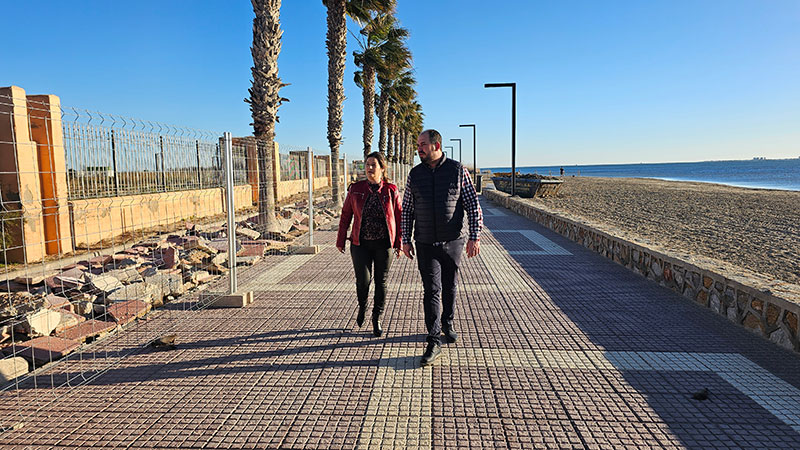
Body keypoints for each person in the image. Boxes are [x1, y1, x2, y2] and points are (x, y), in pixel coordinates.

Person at [401, 129, 483, 365]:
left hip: (453, 242)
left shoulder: (457, 171)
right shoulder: (414, 175)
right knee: (431, 290)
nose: (419, 149)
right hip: (425, 243)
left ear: (436, 146)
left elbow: (472, 205)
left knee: (450, 287)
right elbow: (407, 209)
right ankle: (433, 339)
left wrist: (474, 237)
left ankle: (447, 322)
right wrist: (405, 240)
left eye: (423, 144)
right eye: (418, 144)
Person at [337, 151, 402, 337]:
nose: (369, 168)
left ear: (382, 168)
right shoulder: (356, 189)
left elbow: (399, 216)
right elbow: (346, 215)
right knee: (363, 282)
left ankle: (377, 317)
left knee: (381, 282)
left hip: (384, 244)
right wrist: (341, 239)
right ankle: (362, 307)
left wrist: (399, 243)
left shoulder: (391, 190)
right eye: (367, 164)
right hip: (360, 243)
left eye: (374, 165)